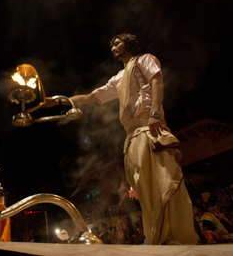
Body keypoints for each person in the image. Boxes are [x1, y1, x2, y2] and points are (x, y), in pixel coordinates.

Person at [45, 33, 199, 244]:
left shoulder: (145, 59)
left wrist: (154, 113)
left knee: (164, 185)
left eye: (117, 42)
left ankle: (178, 238)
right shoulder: (118, 78)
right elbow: (92, 97)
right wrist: (59, 101)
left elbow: (157, 82)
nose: (113, 48)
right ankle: (159, 239)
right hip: (133, 137)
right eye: (112, 45)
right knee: (146, 194)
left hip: (150, 129)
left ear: (130, 43)